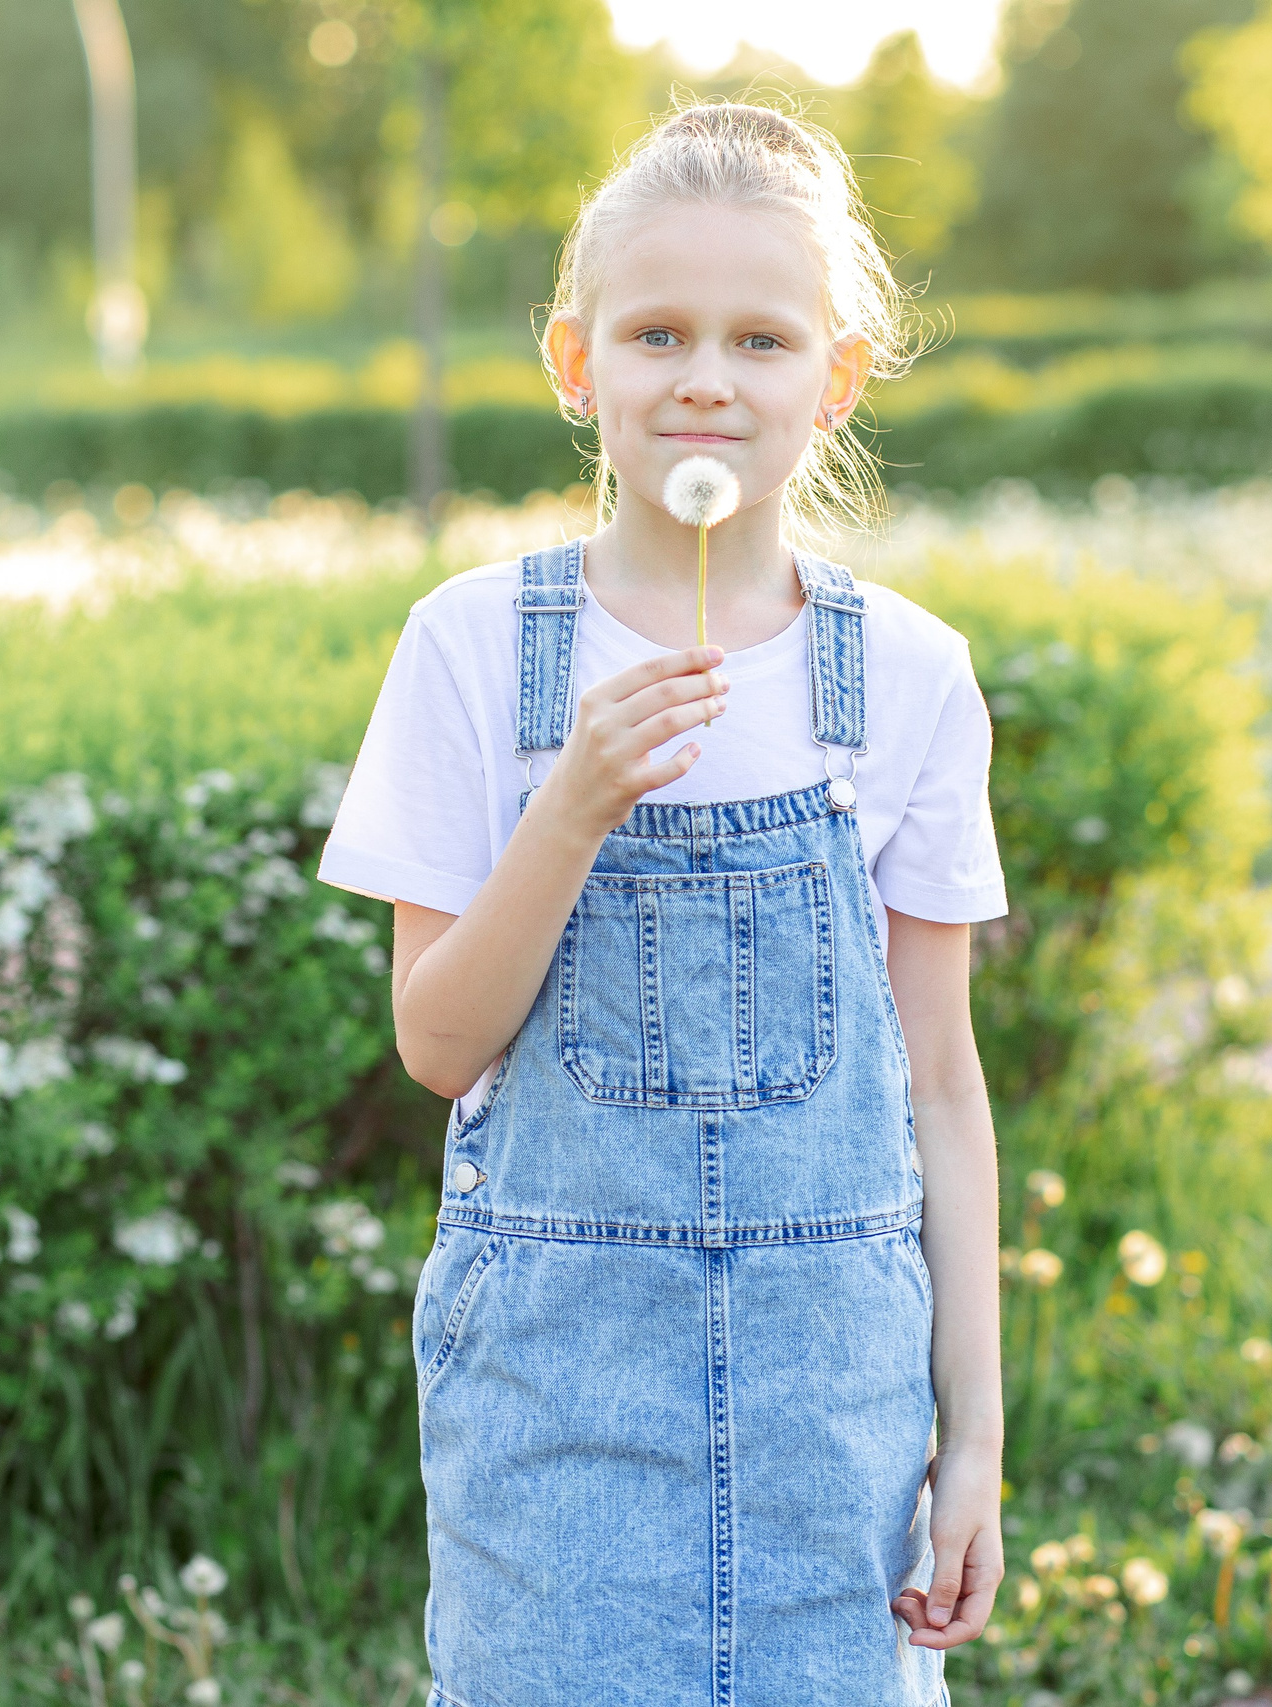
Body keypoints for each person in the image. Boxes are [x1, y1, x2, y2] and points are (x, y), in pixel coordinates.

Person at [316, 99, 1007, 1706]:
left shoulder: (905, 677)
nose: (707, 378)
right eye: (657, 334)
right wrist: (570, 807)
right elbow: (435, 1043)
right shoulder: (474, 648)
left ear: (833, 380)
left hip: (831, 1417)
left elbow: (945, 1089)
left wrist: (970, 1439)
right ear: (577, 361)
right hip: (559, 1404)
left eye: (762, 339)